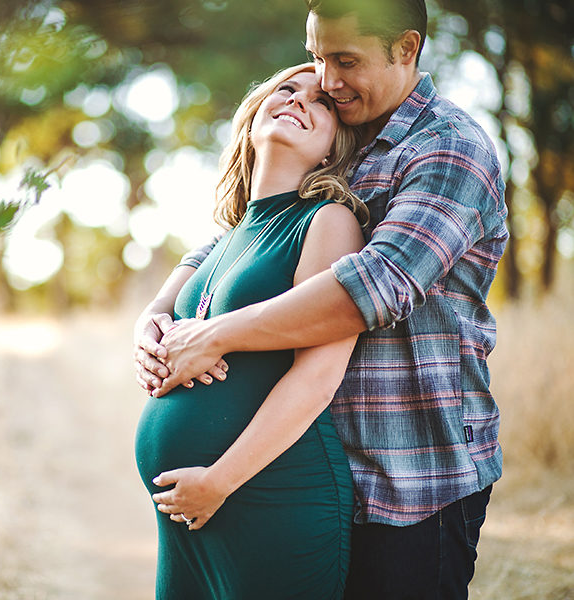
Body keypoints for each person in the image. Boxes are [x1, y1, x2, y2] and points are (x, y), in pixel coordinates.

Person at [134, 0, 508, 598]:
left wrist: (216, 333)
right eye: (315, 57)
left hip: (409, 474)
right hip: (310, 468)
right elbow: (240, 238)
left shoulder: (447, 148)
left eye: (345, 60)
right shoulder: (348, 133)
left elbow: (373, 288)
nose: (327, 83)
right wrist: (153, 319)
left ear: (406, 49)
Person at [134, 62, 368, 599]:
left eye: (322, 102)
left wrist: (219, 481)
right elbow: (160, 313)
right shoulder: (227, 236)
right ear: (254, 115)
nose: (299, 100)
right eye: (286, 89)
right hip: (187, 511)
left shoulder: (327, 221)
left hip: (271, 494)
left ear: (335, 148)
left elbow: (318, 378)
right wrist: (146, 338)